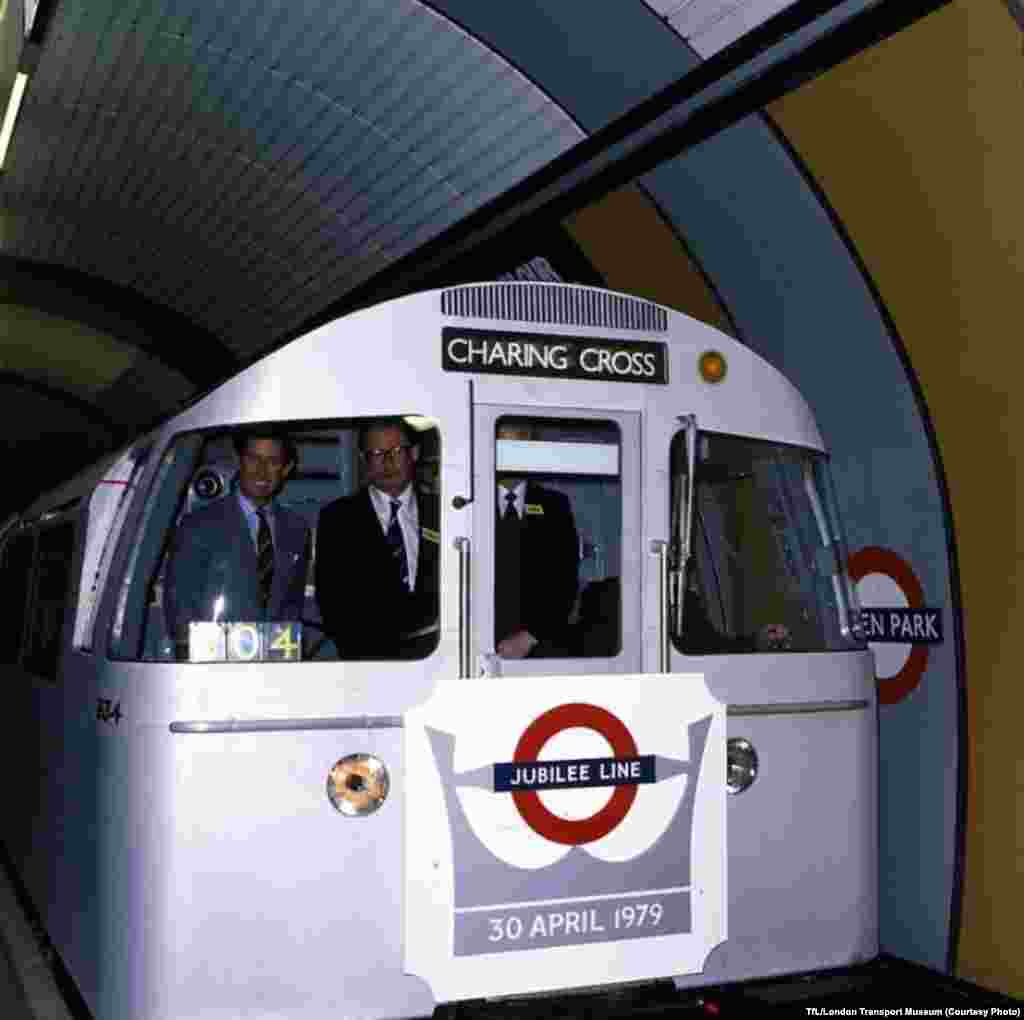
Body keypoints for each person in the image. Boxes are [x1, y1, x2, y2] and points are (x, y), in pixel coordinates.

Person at [164, 430, 311, 657]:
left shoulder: (297, 530)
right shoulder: (198, 525)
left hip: (273, 667)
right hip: (212, 665)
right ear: (239, 461)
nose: (262, 470)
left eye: (272, 461)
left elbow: (292, 609)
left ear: (286, 468)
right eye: (253, 458)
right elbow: (180, 607)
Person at [315, 419, 440, 659]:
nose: (387, 462)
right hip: (368, 662)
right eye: (376, 453)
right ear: (364, 460)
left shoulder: (442, 512)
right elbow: (331, 601)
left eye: (396, 451)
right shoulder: (338, 518)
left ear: (414, 453)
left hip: (438, 658)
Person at [494, 424, 579, 659]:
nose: (513, 457)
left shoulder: (554, 505)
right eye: (505, 447)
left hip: (542, 645)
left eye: (521, 447)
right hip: (477, 643)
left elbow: (565, 582)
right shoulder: (470, 503)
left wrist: (530, 636)